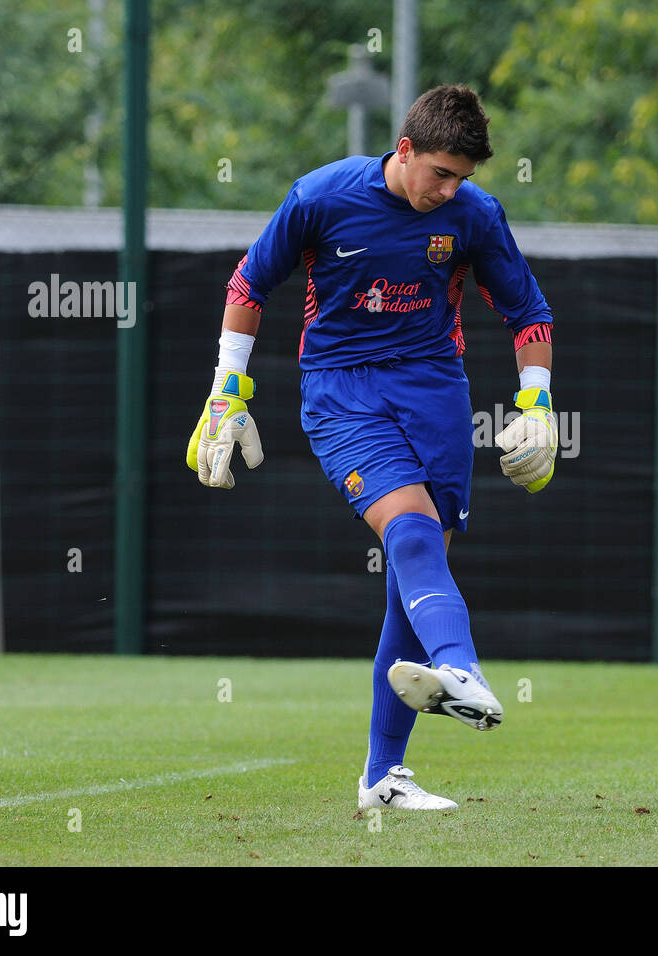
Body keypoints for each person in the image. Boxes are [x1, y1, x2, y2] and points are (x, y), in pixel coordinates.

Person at [186, 85, 557, 810]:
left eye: (463, 179)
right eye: (441, 173)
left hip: (436, 393)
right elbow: (249, 281)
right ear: (406, 149)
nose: (449, 190)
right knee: (412, 533)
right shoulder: (322, 196)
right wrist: (226, 390)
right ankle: (463, 669)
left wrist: (538, 403)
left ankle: (381, 779)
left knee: (410, 576)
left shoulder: (473, 216)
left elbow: (528, 311)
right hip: (342, 394)